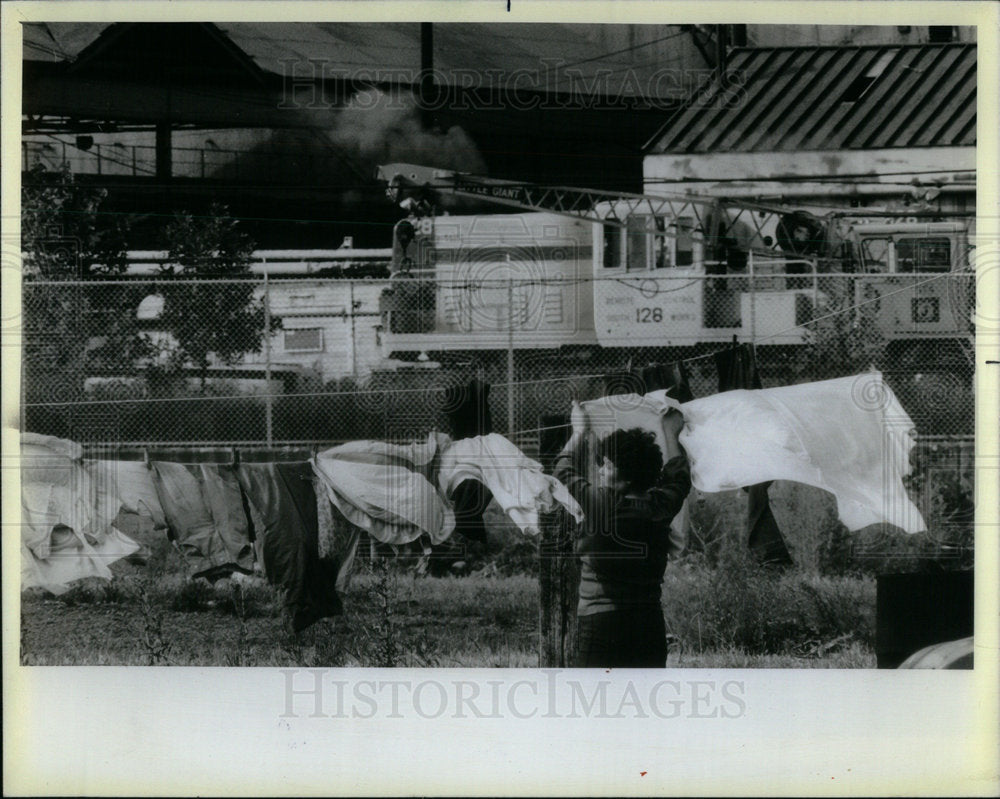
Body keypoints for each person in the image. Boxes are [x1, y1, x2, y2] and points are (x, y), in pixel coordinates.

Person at [554, 400, 690, 668]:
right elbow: (679, 476)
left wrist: (579, 432)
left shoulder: (601, 503)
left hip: (602, 625)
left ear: (625, 477)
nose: (601, 470)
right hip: (649, 624)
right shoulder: (660, 506)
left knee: (597, 703)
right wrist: (671, 433)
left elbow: (562, 469)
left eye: (606, 465)